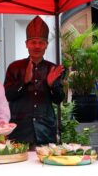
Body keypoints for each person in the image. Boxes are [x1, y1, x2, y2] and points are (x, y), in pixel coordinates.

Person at [4, 16, 65, 147]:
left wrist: (51, 85)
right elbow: (7, 95)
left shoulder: (52, 69)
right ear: (27, 44)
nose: (37, 46)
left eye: (41, 42)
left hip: (45, 131)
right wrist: (24, 82)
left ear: (46, 45)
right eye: (33, 42)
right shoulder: (15, 67)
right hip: (20, 131)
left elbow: (59, 99)